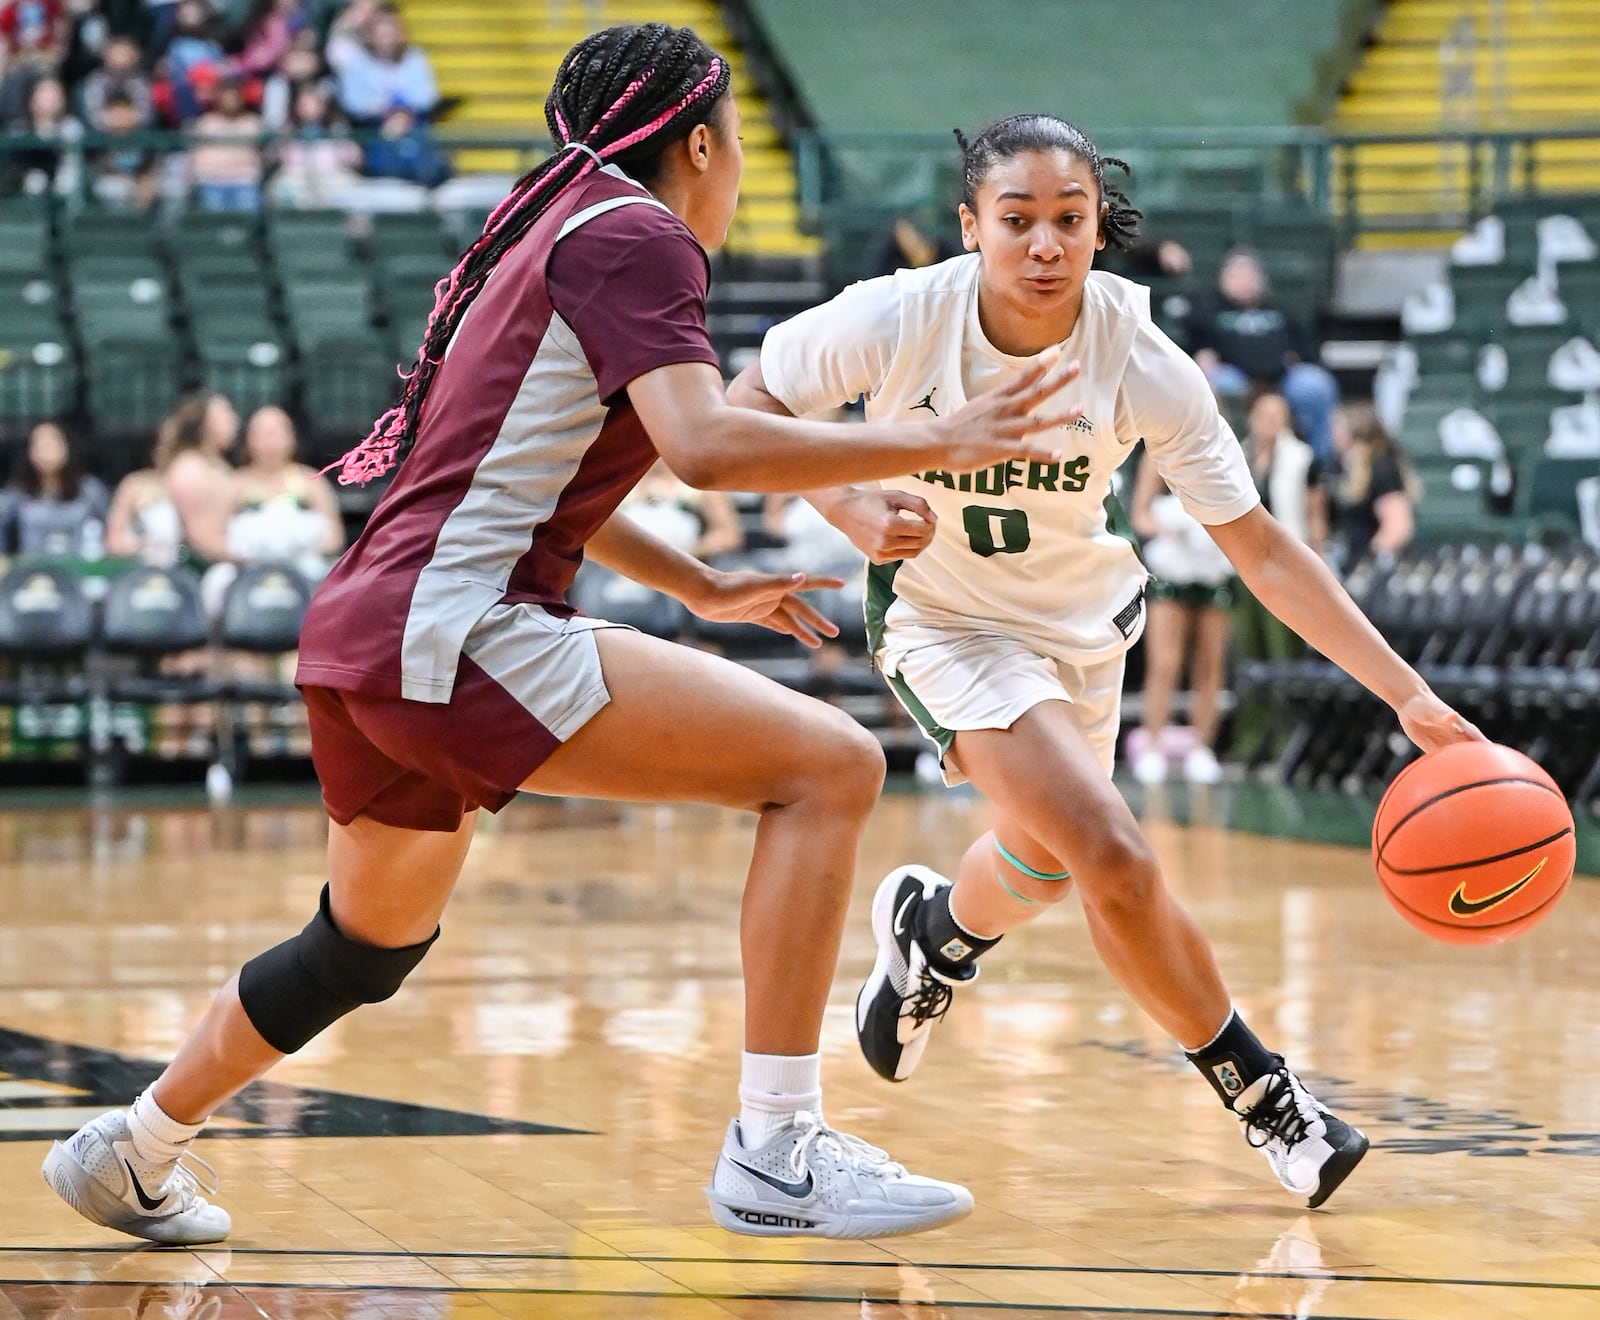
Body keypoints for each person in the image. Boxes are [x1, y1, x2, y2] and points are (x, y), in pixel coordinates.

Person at [43, 23, 1077, 1248]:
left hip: (368, 628)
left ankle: (135, 1145)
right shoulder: (641, 235)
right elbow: (701, 443)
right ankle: (777, 1150)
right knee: (828, 767)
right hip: (455, 627)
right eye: (739, 140)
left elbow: (514, 473)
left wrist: (697, 582)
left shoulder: (552, 227)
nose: (740, 164)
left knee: (360, 947)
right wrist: (939, 439)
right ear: (699, 142)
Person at [728, 113, 1481, 1210]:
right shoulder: (897, 318)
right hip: (944, 622)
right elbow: (746, 407)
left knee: (1039, 862)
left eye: (1068, 221)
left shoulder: (1139, 359)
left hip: (1081, 630)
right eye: (1017, 220)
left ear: (1096, 230)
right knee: (1112, 856)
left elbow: (1261, 548)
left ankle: (931, 936)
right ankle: (1268, 1099)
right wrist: (843, 505)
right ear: (969, 226)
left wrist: (1410, 698)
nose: (1044, 244)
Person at [1127, 448, 1234, 785]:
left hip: (1212, 568)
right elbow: (1140, 514)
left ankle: (1202, 747)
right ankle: (1152, 744)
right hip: (1173, 568)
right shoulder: (1157, 454)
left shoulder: (1223, 452)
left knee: (1210, 662)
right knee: (1165, 662)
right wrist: (1171, 530)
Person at [1185, 248, 1340, 466]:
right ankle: (1226, 462)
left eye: (1248, 275)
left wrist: (1299, 361)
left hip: (1281, 378)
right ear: (1223, 278)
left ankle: (1321, 462)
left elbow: (1305, 349)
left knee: (1315, 384)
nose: (1243, 281)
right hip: (1237, 376)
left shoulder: (1279, 311)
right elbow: (1195, 349)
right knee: (1220, 384)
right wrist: (1203, 356)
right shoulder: (1208, 311)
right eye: (1236, 275)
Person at [1328, 405, 1419, 573]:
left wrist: (1368, 563)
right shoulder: (1346, 468)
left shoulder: (1382, 468)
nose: (1332, 435)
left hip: (1369, 570)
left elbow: (1398, 525)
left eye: (1338, 429)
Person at [0, 419, 109, 557]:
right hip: (33, 573)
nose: (46, 451)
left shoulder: (90, 490)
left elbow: (111, 531)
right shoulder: (17, 494)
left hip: (77, 571)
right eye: (40, 445)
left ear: (66, 446)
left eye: (52, 444)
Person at [325, 0, 436, 124]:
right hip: (371, 127)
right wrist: (383, 111)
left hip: (412, 124)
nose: (387, 40)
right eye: (381, 34)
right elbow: (352, 101)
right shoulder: (357, 61)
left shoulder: (415, 58)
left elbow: (427, 96)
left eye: (390, 34)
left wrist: (401, 112)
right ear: (370, 35)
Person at [189, 74, 262, 210]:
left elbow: (258, 155)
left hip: (244, 181)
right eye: (226, 97)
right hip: (212, 181)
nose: (230, 101)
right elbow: (198, 157)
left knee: (249, 203)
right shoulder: (206, 123)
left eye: (234, 97)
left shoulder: (252, 123)